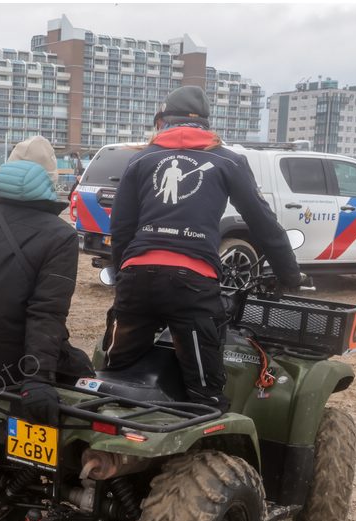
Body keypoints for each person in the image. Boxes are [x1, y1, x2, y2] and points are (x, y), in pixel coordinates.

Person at [102, 86, 302, 411]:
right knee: (205, 395)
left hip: (137, 278)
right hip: (191, 285)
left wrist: (124, 273)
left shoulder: (141, 159)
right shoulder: (228, 161)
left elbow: (122, 227)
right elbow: (262, 222)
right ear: (206, 123)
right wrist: (289, 274)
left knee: (115, 378)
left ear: (163, 121)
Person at [0, 135, 93, 426]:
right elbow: (47, 312)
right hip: (20, 369)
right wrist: (38, 379)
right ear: (50, 181)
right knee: (85, 376)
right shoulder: (60, 235)